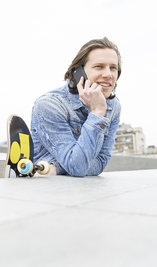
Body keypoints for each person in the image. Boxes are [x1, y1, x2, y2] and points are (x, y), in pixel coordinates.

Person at [30, 37, 122, 177]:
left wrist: (55, 168)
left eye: (113, 68)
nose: (108, 74)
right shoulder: (49, 105)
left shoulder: (113, 107)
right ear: (79, 72)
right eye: (99, 66)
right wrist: (97, 113)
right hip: (46, 190)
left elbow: (101, 162)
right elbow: (77, 168)